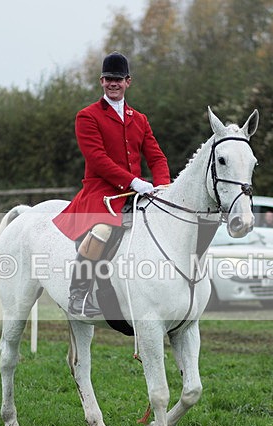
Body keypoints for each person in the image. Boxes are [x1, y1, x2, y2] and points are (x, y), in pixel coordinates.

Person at [53, 51, 171, 317]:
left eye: (118, 79)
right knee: (104, 230)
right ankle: (78, 294)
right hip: (101, 192)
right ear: (101, 81)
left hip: (136, 193)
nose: (113, 84)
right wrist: (134, 181)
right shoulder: (87, 116)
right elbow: (97, 159)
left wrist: (162, 186)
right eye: (108, 79)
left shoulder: (139, 119)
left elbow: (157, 157)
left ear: (128, 81)